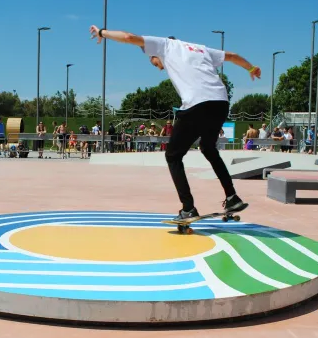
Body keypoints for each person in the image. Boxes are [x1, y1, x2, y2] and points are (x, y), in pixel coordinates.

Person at [89, 25, 260, 219]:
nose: (158, 67)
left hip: (198, 103)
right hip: (221, 102)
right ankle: (232, 197)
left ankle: (188, 208)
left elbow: (128, 37)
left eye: (155, 63)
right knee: (208, 147)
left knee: (173, 155)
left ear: (155, 55)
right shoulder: (199, 48)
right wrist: (251, 68)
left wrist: (103, 32)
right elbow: (231, 55)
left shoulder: (164, 46)